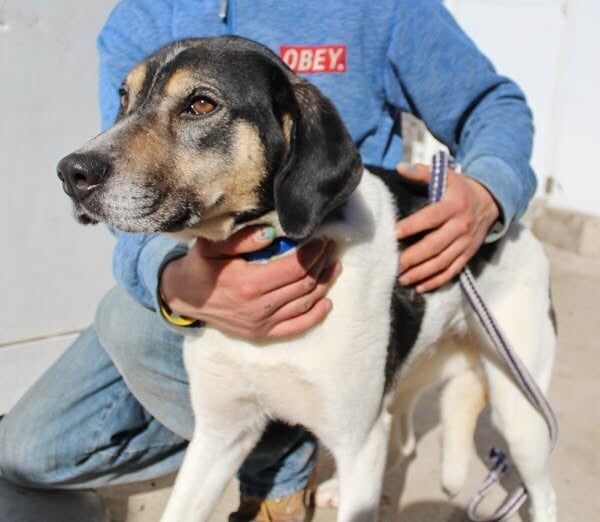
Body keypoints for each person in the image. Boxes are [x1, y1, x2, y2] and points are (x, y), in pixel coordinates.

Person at [0, 1, 536, 521]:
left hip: (334, 250)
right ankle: (284, 441)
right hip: (194, 264)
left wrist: (490, 187)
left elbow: (493, 106)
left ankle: (280, 475)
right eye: (129, 99)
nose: (90, 157)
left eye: (198, 105)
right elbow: (131, 202)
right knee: (28, 448)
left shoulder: (382, 6)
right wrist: (174, 282)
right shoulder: (143, 13)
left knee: (340, 410)